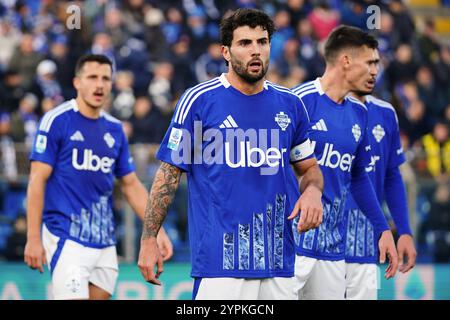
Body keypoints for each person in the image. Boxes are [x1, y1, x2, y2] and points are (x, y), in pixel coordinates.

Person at [138, 8, 324, 300]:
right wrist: (149, 238)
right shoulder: (199, 101)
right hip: (220, 263)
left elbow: (309, 168)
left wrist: (312, 190)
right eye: (245, 43)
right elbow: (169, 173)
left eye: (262, 42)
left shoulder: (291, 104)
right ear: (226, 52)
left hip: (280, 262)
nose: (256, 51)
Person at [24, 54, 173, 300]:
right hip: (66, 234)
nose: (99, 85)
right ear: (77, 83)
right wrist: (33, 238)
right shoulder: (57, 121)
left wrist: (157, 231)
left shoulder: (115, 129)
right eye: (92, 77)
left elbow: (131, 184)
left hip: (104, 240)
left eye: (106, 78)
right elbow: (36, 180)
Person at [291, 25, 398, 300]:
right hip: (290, 243)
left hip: (331, 249)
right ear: (346, 61)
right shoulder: (299, 102)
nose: (375, 70)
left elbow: (359, 177)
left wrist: (383, 228)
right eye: (370, 62)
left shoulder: (359, 114)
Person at [345, 91, 417, 299]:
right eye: (368, 62)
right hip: (320, 244)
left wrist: (404, 230)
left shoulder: (386, 112)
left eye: (376, 63)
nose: (373, 70)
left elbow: (392, 175)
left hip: (367, 243)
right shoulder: (311, 102)